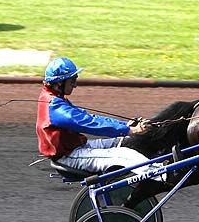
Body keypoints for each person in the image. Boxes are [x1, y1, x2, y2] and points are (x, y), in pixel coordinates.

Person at [36, 57, 164, 178]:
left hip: (77, 147)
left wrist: (126, 126)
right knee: (125, 155)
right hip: (69, 156)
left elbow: (93, 118)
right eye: (72, 80)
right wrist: (129, 129)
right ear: (59, 83)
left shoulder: (54, 98)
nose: (75, 85)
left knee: (123, 140)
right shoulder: (55, 107)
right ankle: (164, 174)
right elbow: (90, 123)